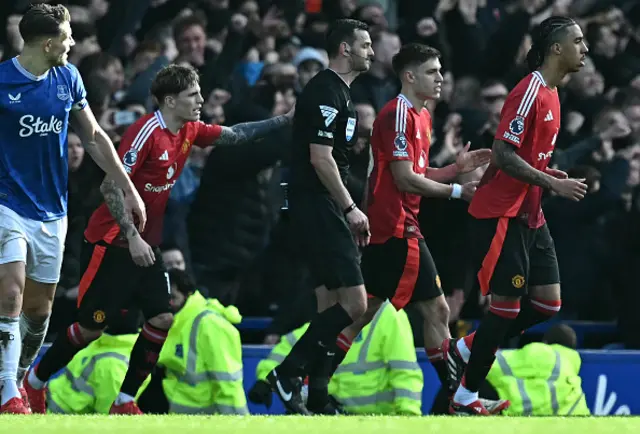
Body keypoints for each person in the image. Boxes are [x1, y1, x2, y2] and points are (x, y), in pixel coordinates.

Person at [24, 63, 293, 415]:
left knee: (161, 320)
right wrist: (132, 236)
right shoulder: (145, 132)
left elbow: (236, 135)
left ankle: (124, 401)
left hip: (145, 245)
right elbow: (110, 185)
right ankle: (35, 382)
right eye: (192, 95)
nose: (201, 100)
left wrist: (284, 120)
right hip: (110, 242)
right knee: (91, 328)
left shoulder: (190, 129)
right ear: (169, 100)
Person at [332, 42, 503, 413]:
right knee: (437, 310)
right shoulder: (398, 114)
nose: (440, 78)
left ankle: (309, 378)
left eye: (440, 71)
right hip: (396, 227)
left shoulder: (422, 117)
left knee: (363, 311)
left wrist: (454, 168)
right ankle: (463, 398)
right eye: (432, 71)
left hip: (396, 227)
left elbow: (420, 174)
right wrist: (459, 190)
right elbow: (405, 179)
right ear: (409, 76)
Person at [0, 4, 145, 414]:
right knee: (9, 293)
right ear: (47, 42)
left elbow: (96, 137)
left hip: (51, 211)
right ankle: (7, 392)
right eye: (67, 36)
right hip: (6, 203)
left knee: (38, 311)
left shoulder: (67, 77)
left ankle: (22, 377)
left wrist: (127, 187)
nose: (73, 42)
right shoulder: (1, 82)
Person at [444, 16, 589, 415]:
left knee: (547, 303)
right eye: (578, 40)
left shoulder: (555, 94)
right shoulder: (530, 92)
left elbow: (528, 157)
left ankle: (462, 348)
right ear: (556, 48)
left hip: (530, 213)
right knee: (505, 308)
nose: (585, 48)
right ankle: (465, 396)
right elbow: (503, 153)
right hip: (500, 214)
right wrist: (552, 182)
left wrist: (547, 175)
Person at [266, 18, 374, 415]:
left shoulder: (339, 94)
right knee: (355, 303)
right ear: (345, 49)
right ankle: (288, 372)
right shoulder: (327, 91)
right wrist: (349, 207)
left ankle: (315, 396)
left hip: (315, 204)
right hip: (318, 203)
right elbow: (321, 157)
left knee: (329, 303)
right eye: (364, 45)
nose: (371, 52)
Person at [137, 269, 248, 415]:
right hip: (177, 415)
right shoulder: (170, 321)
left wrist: (237, 425)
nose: (166, 304)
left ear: (187, 294)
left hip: (207, 419)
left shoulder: (210, 325)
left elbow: (227, 384)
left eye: (172, 298)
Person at [484, 324, 590, 416]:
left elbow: (494, 363)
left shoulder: (543, 352)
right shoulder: (576, 391)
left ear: (545, 342)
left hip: (515, 419)